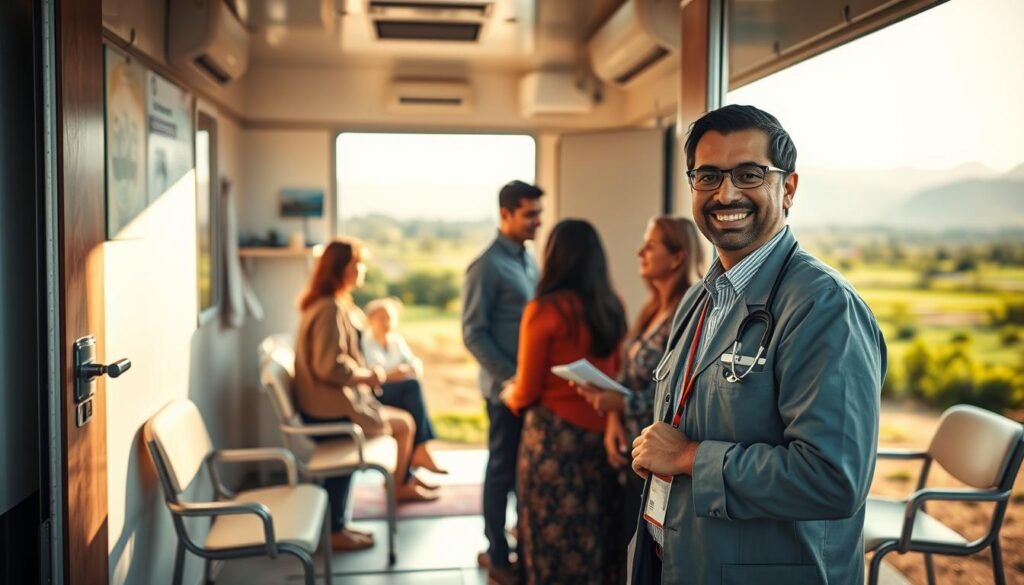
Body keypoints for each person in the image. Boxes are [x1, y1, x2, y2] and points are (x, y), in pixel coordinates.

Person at [628, 105, 886, 585]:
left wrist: (688, 458)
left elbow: (833, 478)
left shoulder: (823, 308)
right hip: (682, 559)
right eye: (708, 176)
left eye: (749, 174)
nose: (725, 193)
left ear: (787, 188)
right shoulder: (701, 299)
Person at [502, 219, 628, 585]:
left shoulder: (544, 310)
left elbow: (526, 391)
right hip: (603, 435)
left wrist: (509, 393)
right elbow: (617, 373)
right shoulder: (612, 305)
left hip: (553, 442)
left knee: (551, 540)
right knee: (598, 536)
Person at [293, 239, 438, 552]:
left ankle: (346, 521)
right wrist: (369, 375)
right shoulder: (329, 307)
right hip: (329, 410)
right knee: (404, 424)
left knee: (405, 415)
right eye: (358, 263)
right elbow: (328, 366)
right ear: (343, 268)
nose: (363, 269)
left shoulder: (329, 304)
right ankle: (388, 494)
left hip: (325, 404)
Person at [576, 216, 706, 556]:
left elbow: (681, 393)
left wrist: (621, 405)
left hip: (660, 457)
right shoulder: (652, 309)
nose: (640, 252)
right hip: (632, 446)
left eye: (651, 246)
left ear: (677, 257)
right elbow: (628, 375)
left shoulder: (690, 311)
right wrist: (613, 421)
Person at [461, 180, 543, 582]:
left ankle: (515, 541)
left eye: (539, 214)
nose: (537, 222)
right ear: (505, 213)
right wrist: (515, 377)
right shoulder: (487, 266)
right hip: (505, 392)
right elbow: (473, 333)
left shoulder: (527, 259)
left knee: (521, 473)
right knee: (500, 473)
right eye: (530, 214)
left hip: (528, 391)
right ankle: (496, 555)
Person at [361, 297, 448, 479]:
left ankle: (408, 473)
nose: (387, 322)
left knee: (412, 395)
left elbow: (414, 364)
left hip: (397, 390)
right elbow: (374, 375)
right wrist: (397, 373)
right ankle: (419, 453)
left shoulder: (395, 341)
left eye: (390, 318)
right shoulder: (366, 342)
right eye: (381, 317)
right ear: (371, 319)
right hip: (377, 393)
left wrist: (406, 370)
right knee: (413, 389)